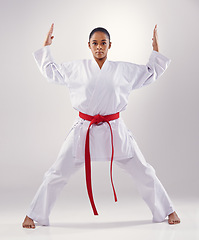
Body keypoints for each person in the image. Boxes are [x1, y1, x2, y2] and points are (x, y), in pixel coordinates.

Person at [22, 24, 180, 228]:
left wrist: (155, 50)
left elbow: (149, 73)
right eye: (95, 43)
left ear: (109, 45)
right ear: (88, 45)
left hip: (114, 131)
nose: (99, 47)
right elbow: (51, 71)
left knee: (144, 171)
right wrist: (46, 47)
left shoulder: (122, 70)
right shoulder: (76, 68)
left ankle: (168, 210)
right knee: (57, 172)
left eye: (103, 43)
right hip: (84, 130)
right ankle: (34, 215)